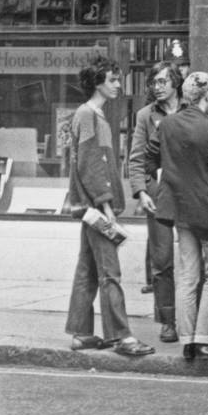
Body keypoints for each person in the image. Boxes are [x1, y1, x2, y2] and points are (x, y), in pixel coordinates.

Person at [64, 56, 155, 358]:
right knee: (110, 273)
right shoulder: (88, 115)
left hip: (88, 206)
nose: (118, 84)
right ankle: (122, 337)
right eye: (113, 79)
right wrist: (107, 206)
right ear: (97, 83)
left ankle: (81, 333)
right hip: (96, 208)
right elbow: (91, 164)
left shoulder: (91, 114)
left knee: (87, 270)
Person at [148, 71, 208, 360]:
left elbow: (151, 157)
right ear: (207, 96)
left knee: (187, 276)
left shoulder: (167, 124)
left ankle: (187, 339)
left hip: (180, 210)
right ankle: (205, 339)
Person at [126, 60, 182, 344]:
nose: (157, 87)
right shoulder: (146, 115)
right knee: (162, 262)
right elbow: (136, 158)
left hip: (189, 194)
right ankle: (167, 321)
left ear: (176, 82)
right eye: (154, 83)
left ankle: (194, 319)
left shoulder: (191, 109)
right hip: (158, 193)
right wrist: (141, 192)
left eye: (162, 81)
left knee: (196, 259)